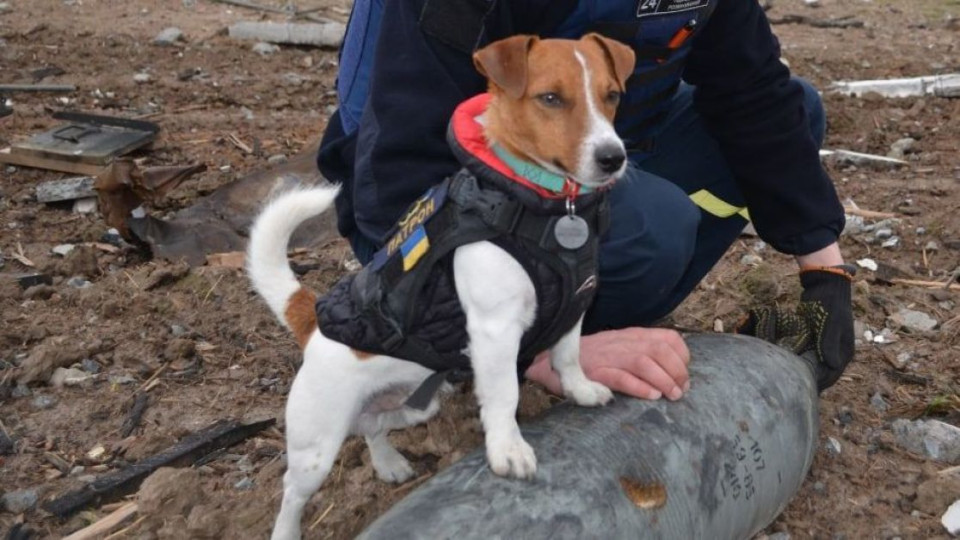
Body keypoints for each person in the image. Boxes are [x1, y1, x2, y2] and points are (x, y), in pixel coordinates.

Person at [316, 0, 855, 401]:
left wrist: (825, 274)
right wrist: (537, 353)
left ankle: (598, 306)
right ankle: (540, 335)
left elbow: (753, 91)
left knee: (796, 112)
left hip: (583, 158)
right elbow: (396, 180)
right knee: (653, 230)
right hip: (419, 205)